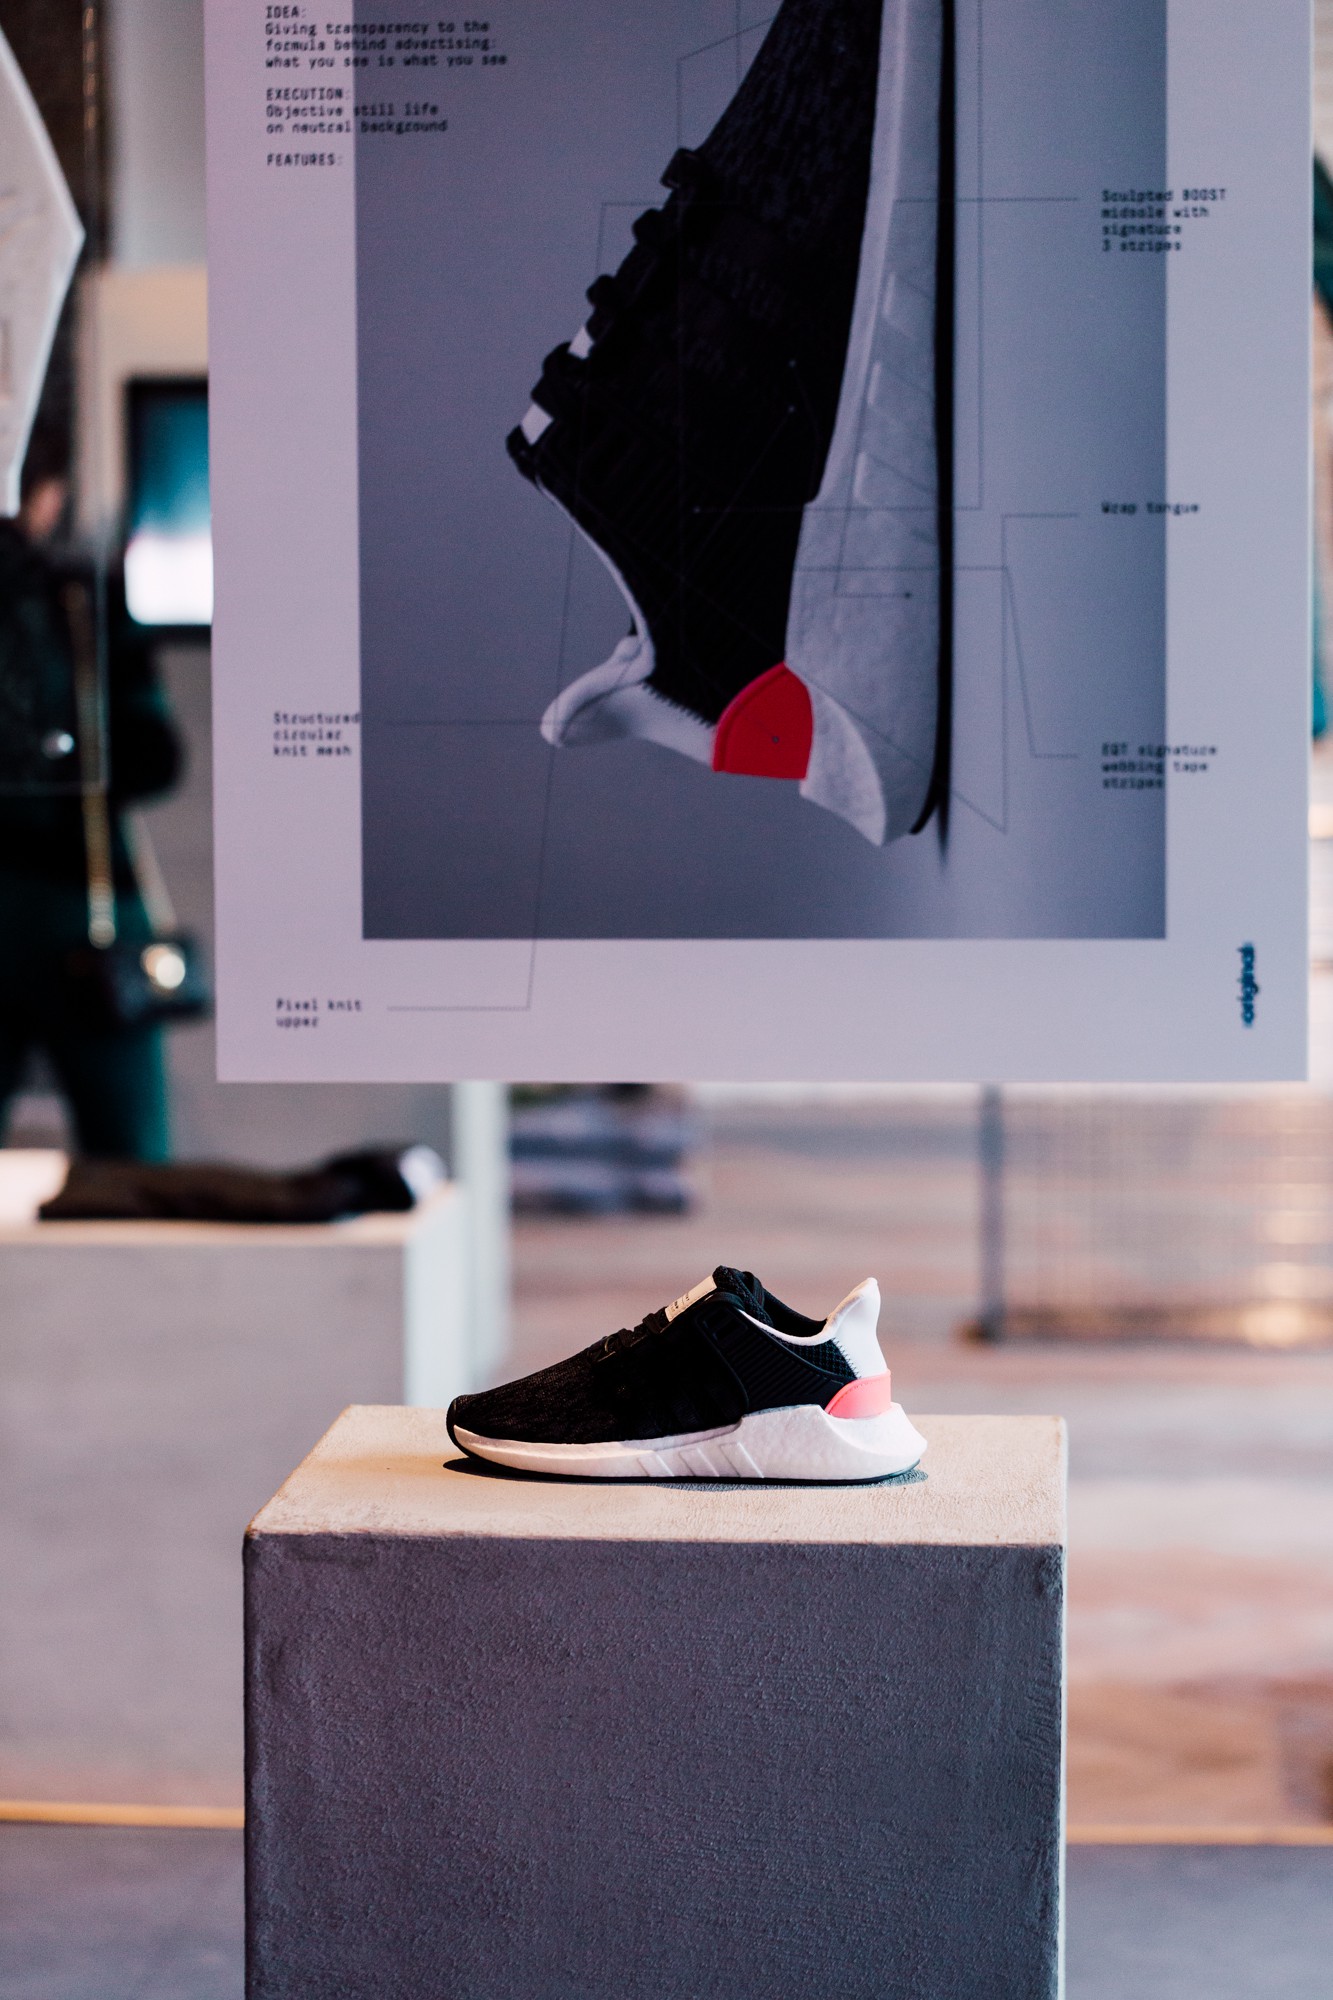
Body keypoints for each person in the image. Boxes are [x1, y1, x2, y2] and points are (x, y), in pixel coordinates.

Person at [0, 430, 183, 1159]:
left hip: (41, 904)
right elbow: (153, 759)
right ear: (47, 495)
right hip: (83, 909)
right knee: (129, 1157)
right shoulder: (84, 597)